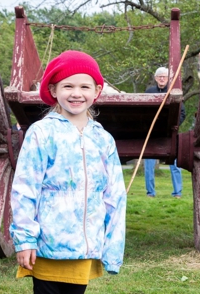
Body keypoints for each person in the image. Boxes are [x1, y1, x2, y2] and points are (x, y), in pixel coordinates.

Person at [10, 50, 126, 294]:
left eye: (85, 86)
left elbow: (115, 195)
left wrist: (113, 247)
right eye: (67, 86)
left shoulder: (103, 139)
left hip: (84, 250)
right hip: (47, 247)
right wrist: (25, 239)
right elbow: (25, 189)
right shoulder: (41, 133)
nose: (76, 93)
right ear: (53, 91)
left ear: (96, 91)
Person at [144, 67, 185, 198]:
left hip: (170, 133)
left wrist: (173, 126)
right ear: (156, 78)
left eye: (164, 76)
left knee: (175, 165)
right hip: (153, 133)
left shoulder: (174, 92)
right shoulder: (149, 92)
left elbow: (182, 113)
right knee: (148, 166)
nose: (162, 79)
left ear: (168, 79)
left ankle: (177, 192)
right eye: (159, 76)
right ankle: (150, 192)